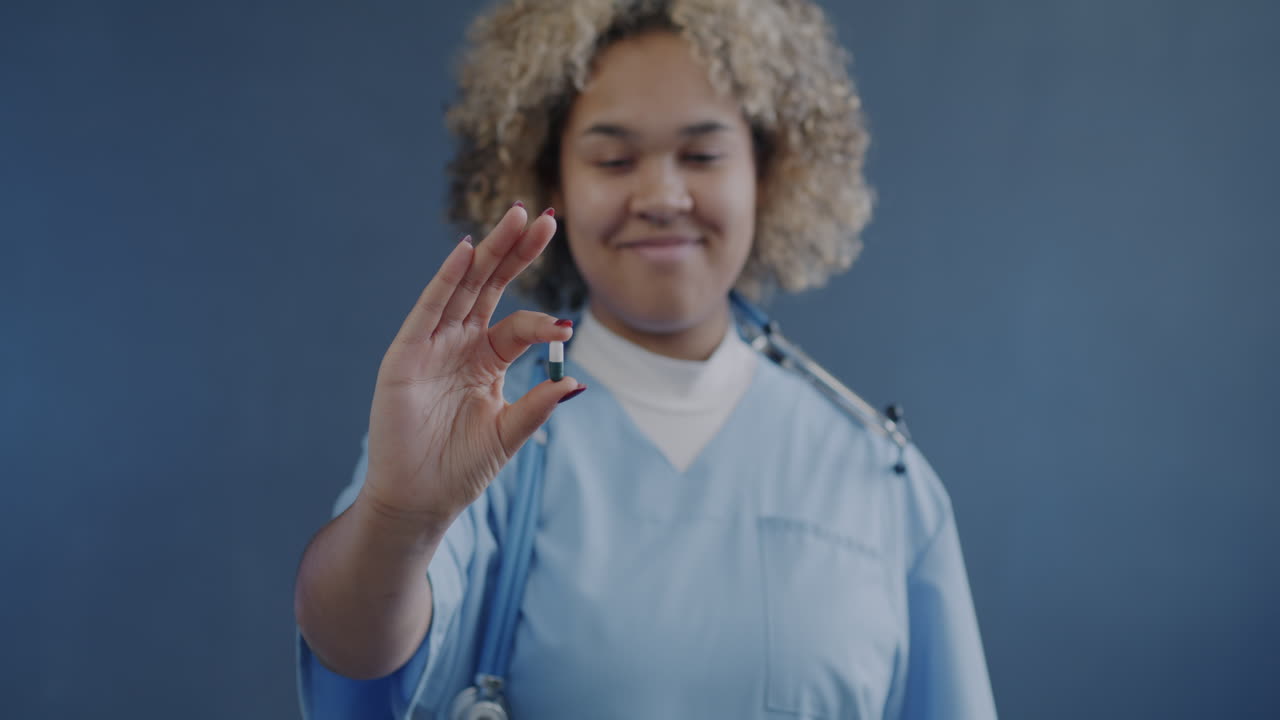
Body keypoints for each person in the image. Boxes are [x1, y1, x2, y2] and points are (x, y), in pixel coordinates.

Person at [293, 0, 997, 717]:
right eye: (614, 159)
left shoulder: (881, 478)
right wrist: (397, 518)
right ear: (553, 183)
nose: (661, 196)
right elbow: (354, 649)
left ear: (767, 171)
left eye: (703, 155)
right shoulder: (472, 436)